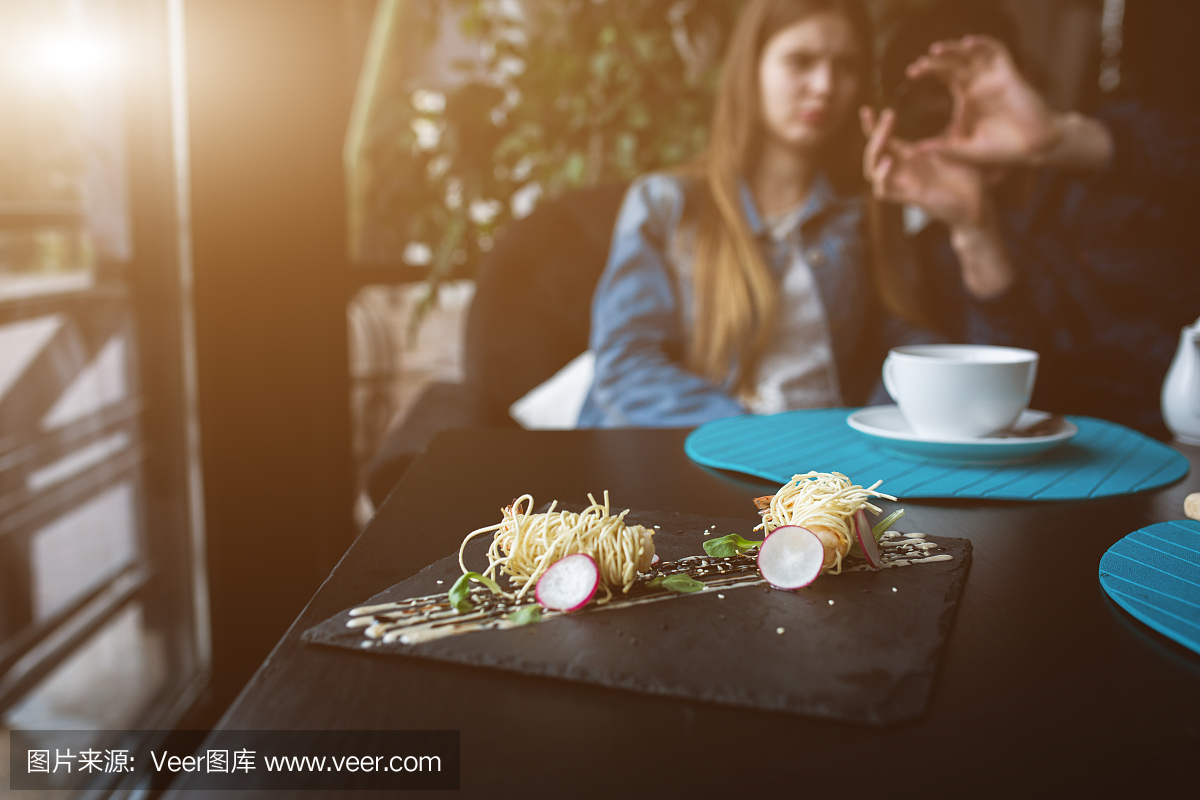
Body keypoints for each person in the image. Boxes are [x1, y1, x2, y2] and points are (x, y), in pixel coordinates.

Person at [579, 0, 929, 428]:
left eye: (846, 65)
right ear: (752, 69)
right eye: (800, 61)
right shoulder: (665, 203)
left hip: (823, 473)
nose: (824, 85)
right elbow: (627, 366)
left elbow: (912, 345)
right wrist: (758, 441)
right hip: (703, 459)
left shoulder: (867, 212)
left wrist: (871, 432)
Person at [862, 18, 1200, 436]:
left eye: (967, 96)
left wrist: (1060, 141)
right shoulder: (941, 252)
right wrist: (975, 231)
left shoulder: (1116, 144)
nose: (958, 124)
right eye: (929, 113)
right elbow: (1002, 397)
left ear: (1018, 78)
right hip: (1071, 465)